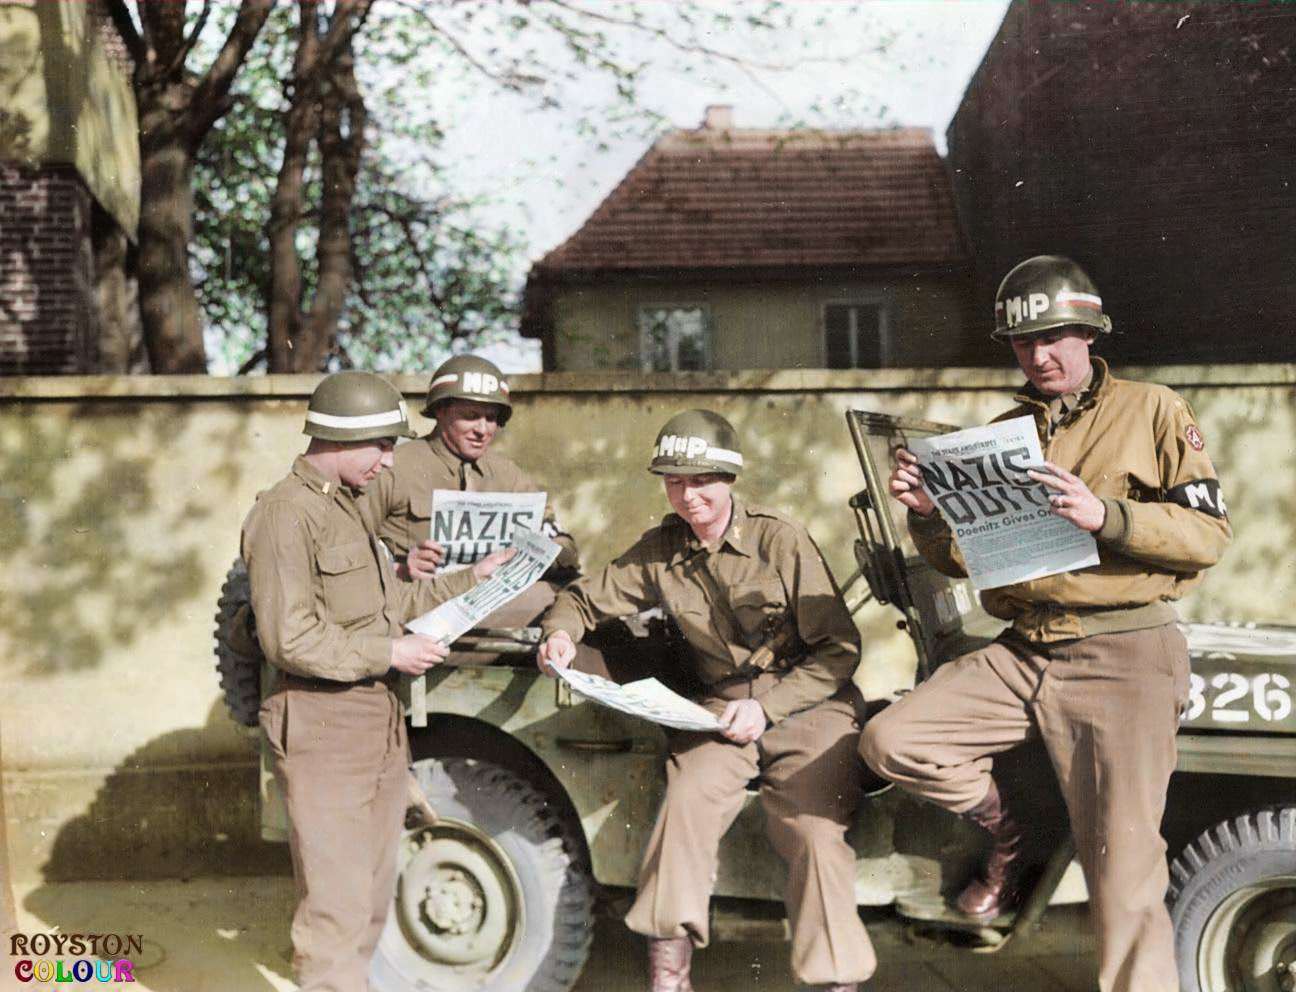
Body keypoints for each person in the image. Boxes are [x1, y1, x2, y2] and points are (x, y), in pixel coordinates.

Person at [860, 255, 1230, 992]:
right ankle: (1014, 832)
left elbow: (1209, 535)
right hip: (1026, 648)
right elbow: (967, 560)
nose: (1040, 354)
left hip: (1124, 652)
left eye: (1058, 336)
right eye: (1025, 343)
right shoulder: (1004, 430)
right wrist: (928, 516)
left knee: (1122, 878)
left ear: (1090, 335)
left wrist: (1108, 517)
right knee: (892, 738)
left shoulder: (1153, 409)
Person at [536, 410, 876, 992]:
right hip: (718, 712)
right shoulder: (661, 548)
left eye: (701, 481)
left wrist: (768, 708)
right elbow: (583, 599)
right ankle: (670, 978)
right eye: (675, 482)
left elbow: (838, 649)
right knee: (685, 805)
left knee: (813, 832)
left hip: (808, 707)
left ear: (730, 479)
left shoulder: (779, 540)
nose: (688, 496)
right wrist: (559, 634)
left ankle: (834, 981)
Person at [243, 370, 511, 991]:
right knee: (334, 905)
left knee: (369, 897)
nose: (391, 462)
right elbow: (289, 637)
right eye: (383, 446)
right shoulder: (286, 513)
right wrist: (390, 651)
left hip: (373, 718)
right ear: (341, 439)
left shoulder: (349, 508)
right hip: (322, 720)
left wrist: (478, 577)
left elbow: (394, 600)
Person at [362, 354, 591, 665]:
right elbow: (349, 543)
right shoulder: (395, 467)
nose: (483, 429)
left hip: (493, 611)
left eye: (492, 418)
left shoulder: (508, 474)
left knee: (574, 602)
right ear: (440, 411)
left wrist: (538, 552)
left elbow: (561, 543)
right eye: (470, 416)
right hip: (418, 613)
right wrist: (400, 567)